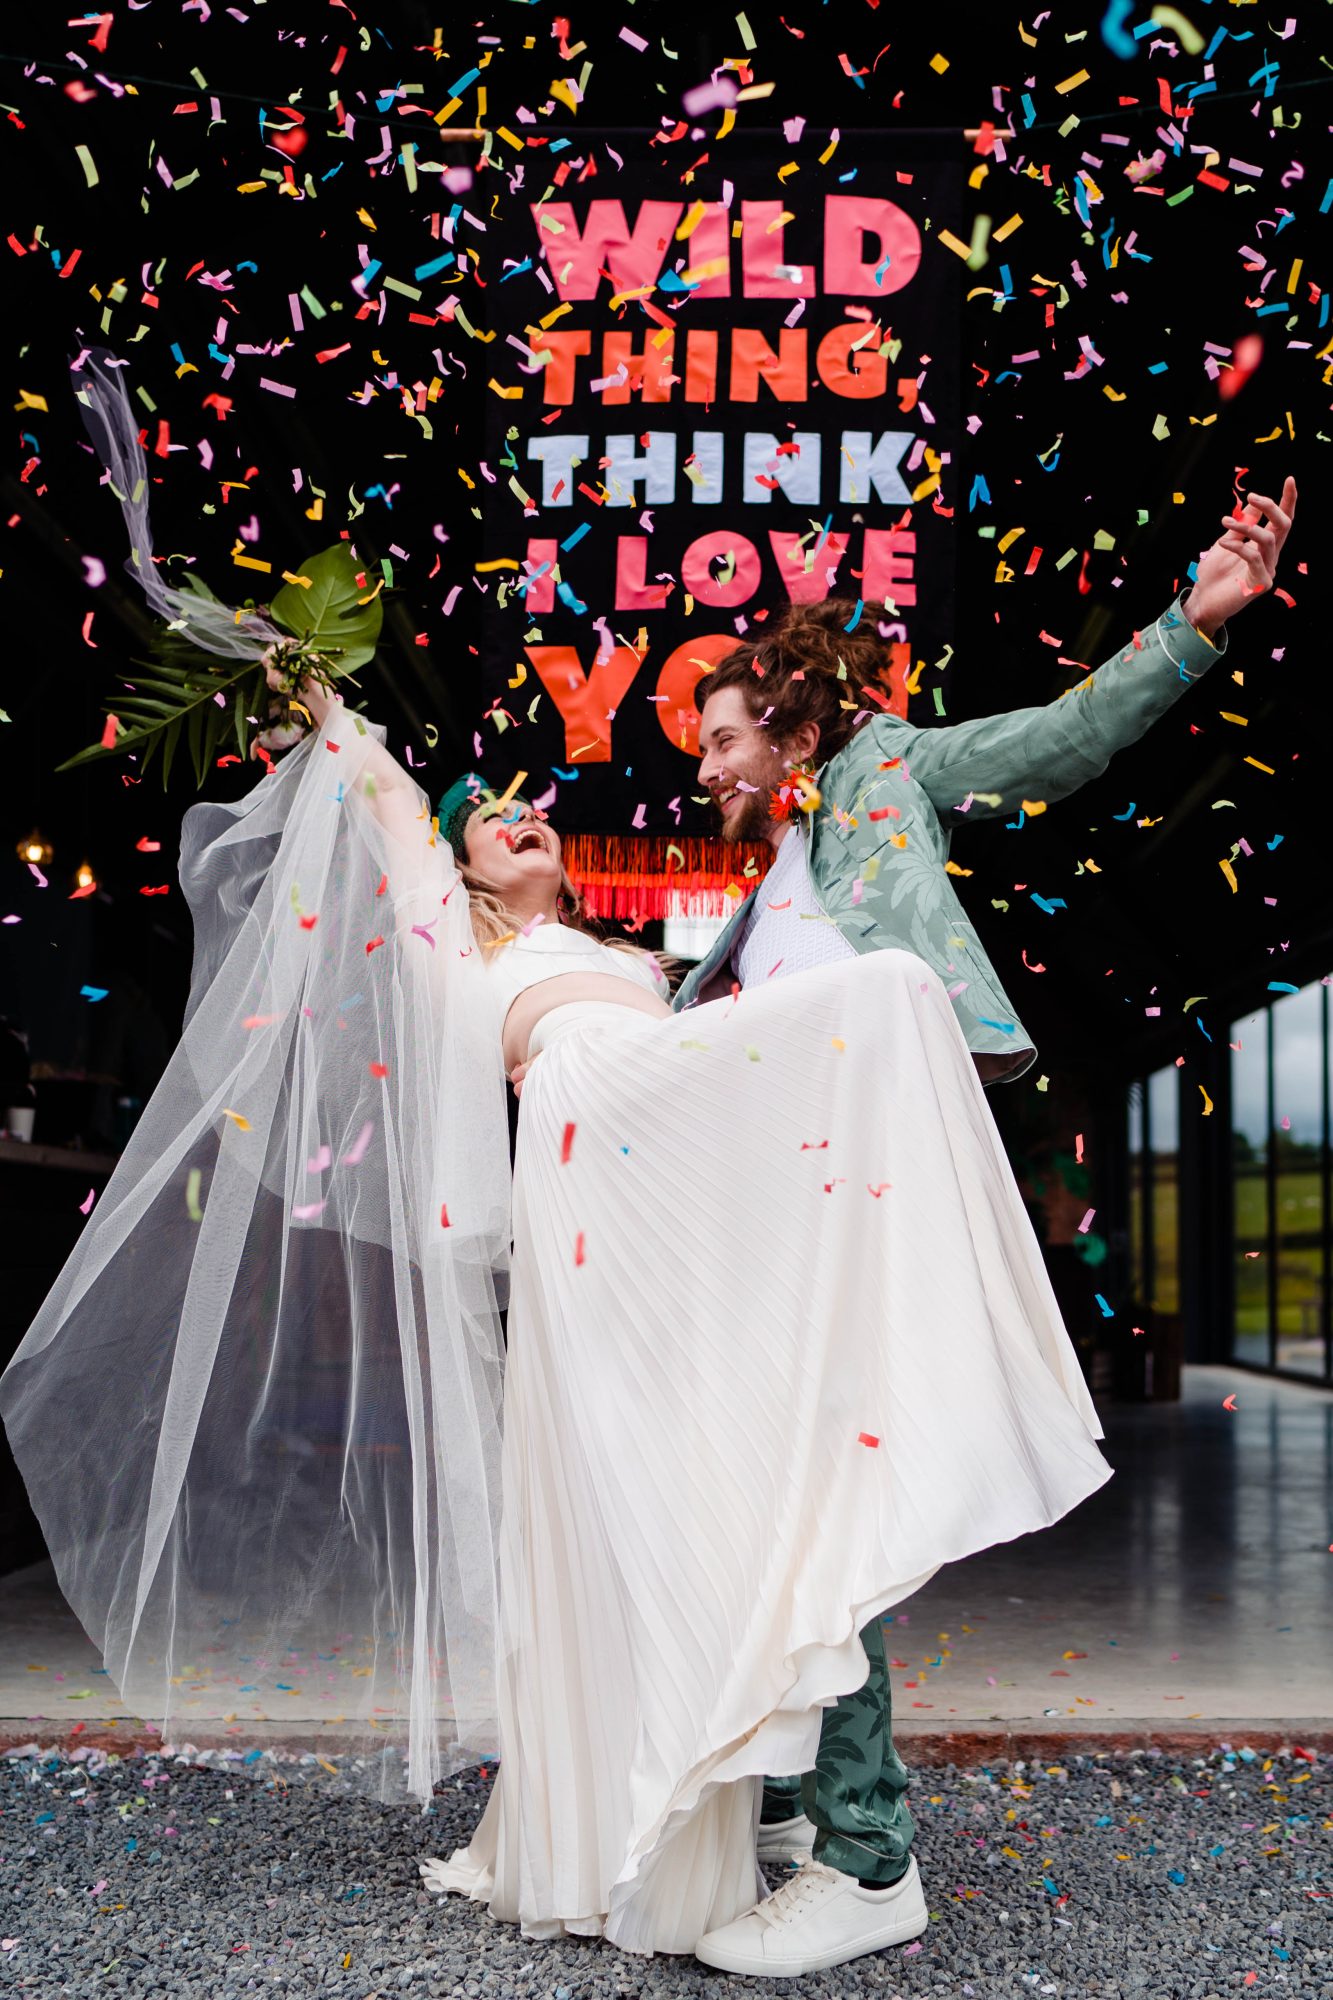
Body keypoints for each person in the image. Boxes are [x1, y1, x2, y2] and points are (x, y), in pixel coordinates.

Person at [638, 478, 1295, 1976]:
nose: (709, 768)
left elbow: (1055, 742)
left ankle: (867, 1861)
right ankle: (811, 1812)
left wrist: (1192, 625)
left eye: (726, 739)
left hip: (864, 1193)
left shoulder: (884, 775)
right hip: (777, 1209)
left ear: (797, 724)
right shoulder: (763, 889)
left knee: (824, 1505)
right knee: (778, 1499)